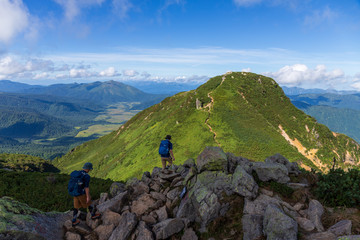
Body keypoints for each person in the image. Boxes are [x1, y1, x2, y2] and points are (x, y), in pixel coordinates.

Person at [70, 162, 101, 227]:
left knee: (76, 207)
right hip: (81, 193)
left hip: (75, 193)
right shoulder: (86, 176)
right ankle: (93, 215)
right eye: (90, 169)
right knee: (89, 203)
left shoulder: (78, 173)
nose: (90, 170)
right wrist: (88, 196)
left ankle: (74, 221)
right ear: (88, 169)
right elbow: (86, 187)